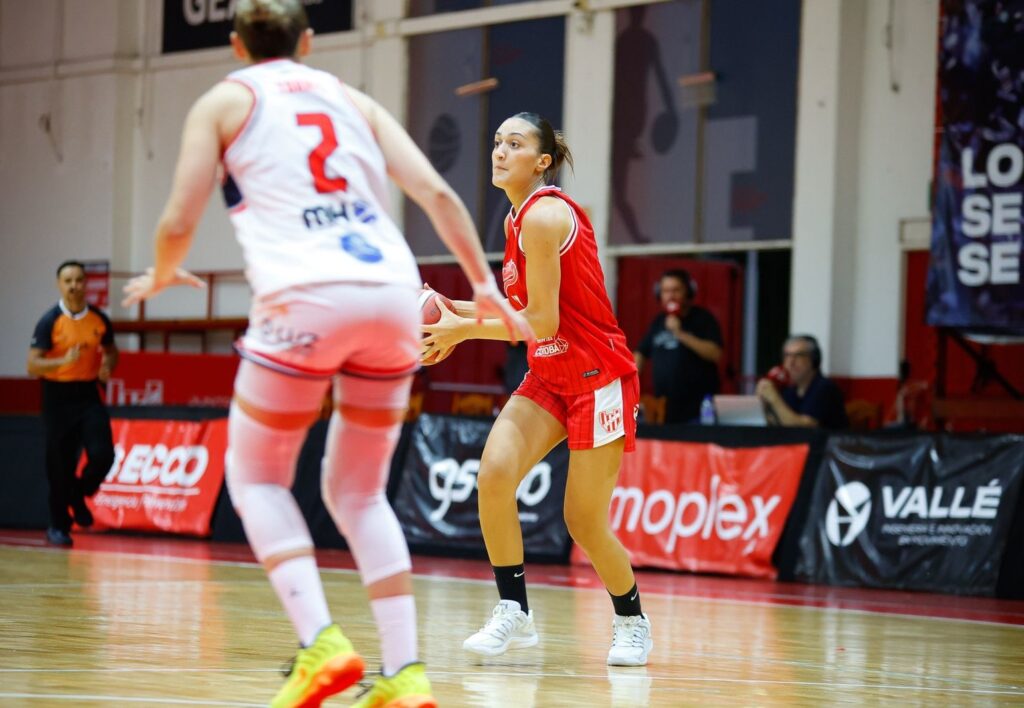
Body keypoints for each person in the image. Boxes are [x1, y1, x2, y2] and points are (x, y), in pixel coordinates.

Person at [121, 2, 532, 706]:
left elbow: (180, 217)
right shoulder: (351, 99)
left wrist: (163, 271)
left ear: (235, 44)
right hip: (393, 294)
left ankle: (322, 645)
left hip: (307, 297)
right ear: (308, 42)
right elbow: (434, 191)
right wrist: (484, 287)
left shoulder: (225, 99)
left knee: (254, 478)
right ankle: (405, 674)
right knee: (359, 491)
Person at [422, 112, 654, 667]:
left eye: (516, 144)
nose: (500, 152)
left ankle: (631, 620)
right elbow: (526, 313)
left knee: (582, 521)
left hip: (599, 377)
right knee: (494, 475)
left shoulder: (546, 216)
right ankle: (514, 611)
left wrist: (466, 329)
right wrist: (459, 313)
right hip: (549, 374)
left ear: (542, 161)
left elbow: (544, 321)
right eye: (497, 141)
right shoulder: (514, 220)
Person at [27, 260, 118, 547]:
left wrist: (108, 366)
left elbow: (112, 351)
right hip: (57, 397)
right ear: (59, 285)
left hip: (88, 395)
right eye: (68, 281)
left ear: (85, 283)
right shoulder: (49, 321)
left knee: (104, 454)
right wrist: (62, 361)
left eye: (79, 280)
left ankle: (78, 493)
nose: (74, 286)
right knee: (59, 466)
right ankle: (58, 525)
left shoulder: (99, 319)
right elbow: (32, 365)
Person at [633, 270, 723, 423]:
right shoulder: (659, 322)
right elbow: (640, 353)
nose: (671, 296)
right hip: (664, 411)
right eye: (666, 291)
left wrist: (680, 333)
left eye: (676, 290)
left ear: (688, 292)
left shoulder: (702, 318)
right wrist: (627, 385)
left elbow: (715, 354)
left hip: (697, 412)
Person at [755, 334, 848, 429]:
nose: (790, 362)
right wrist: (763, 405)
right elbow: (779, 422)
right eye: (787, 355)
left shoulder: (825, 388)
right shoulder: (789, 390)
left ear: (814, 359)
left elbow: (802, 428)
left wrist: (774, 398)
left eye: (798, 355)